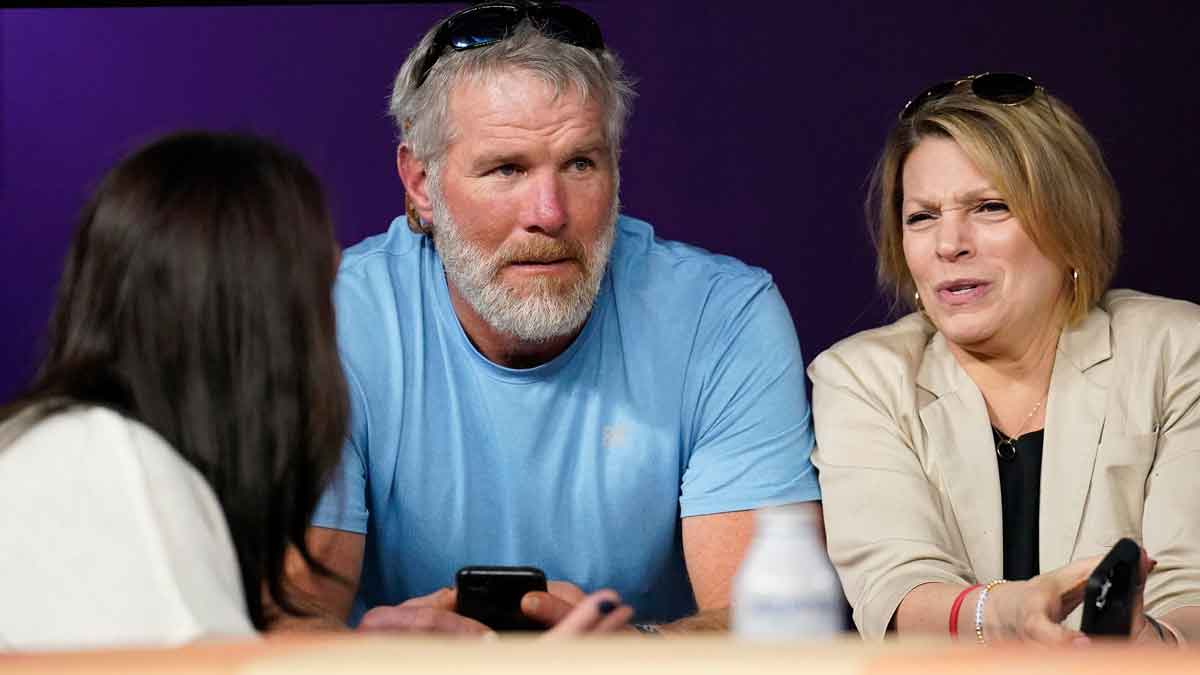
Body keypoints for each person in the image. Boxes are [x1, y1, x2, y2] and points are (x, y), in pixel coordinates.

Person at [291, 1, 820, 634]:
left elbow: (773, 628)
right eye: (506, 169)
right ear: (420, 183)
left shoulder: (723, 316)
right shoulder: (332, 318)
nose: (549, 212)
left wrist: (629, 656)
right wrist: (377, 663)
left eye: (579, 164)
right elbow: (292, 618)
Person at [811, 72, 1200, 645]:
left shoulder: (1177, 351)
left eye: (989, 207)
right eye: (922, 216)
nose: (949, 244)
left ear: (1068, 222)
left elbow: (1190, 591)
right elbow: (895, 591)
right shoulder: (862, 377)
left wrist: (1143, 644)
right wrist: (1002, 614)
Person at [0, 132, 349, 649]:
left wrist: (366, 647)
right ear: (262, 324)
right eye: (322, 298)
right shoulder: (108, 461)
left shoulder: (70, 445)